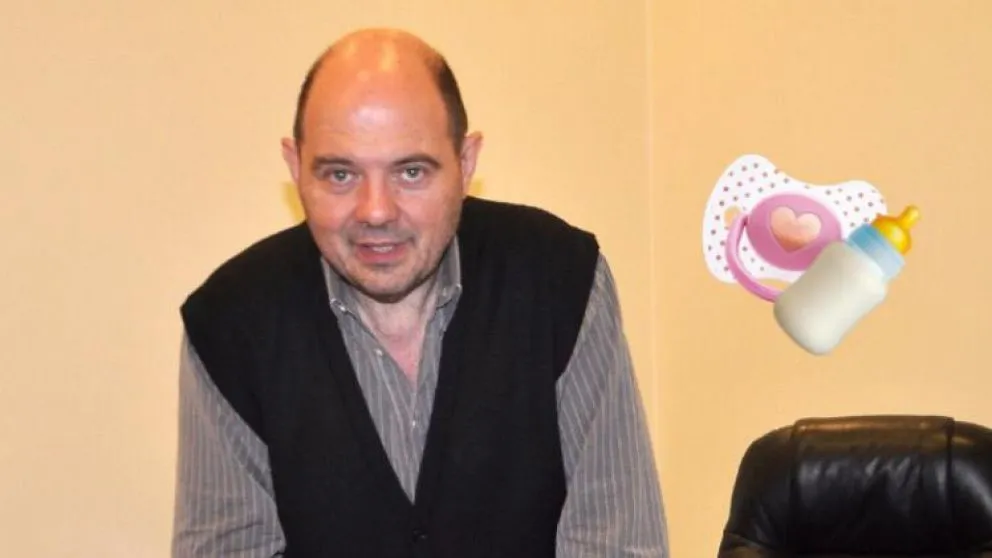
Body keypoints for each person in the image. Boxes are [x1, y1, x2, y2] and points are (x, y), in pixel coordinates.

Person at [172, 27, 669, 558]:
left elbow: (617, 541)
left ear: (466, 163)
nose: (376, 211)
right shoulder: (228, 326)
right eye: (340, 175)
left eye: (411, 172)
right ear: (296, 168)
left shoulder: (561, 281)